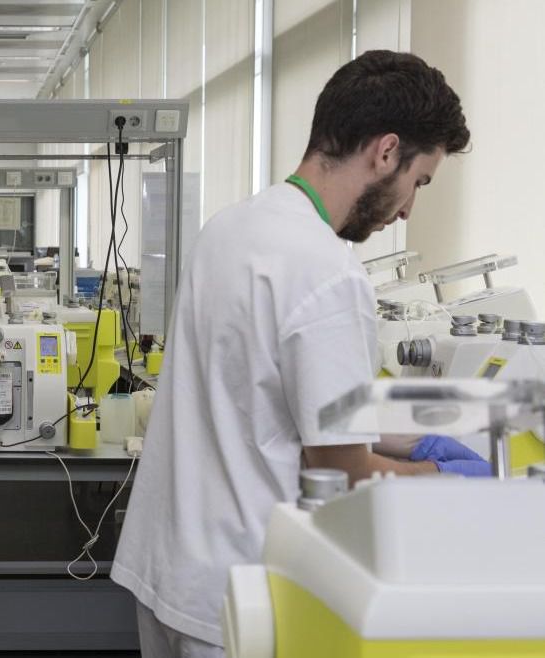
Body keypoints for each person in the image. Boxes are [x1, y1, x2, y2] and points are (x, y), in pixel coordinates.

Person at [111, 50, 477, 658]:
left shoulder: (230, 229)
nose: (410, 208)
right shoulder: (328, 272)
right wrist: (443, 480)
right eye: (420, 182)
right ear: (386, 152)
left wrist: (413, 440)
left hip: (170, 572)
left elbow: (265, 396)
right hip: (242, 596)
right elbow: (342, 477)